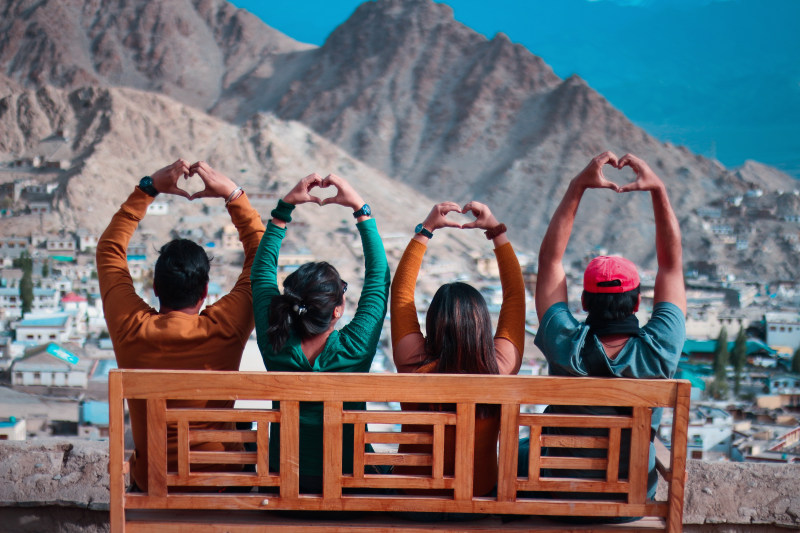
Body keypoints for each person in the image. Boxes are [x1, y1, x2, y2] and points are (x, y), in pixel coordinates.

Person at [523, 151, 686, 516]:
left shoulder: (565, 345)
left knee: (520, 448)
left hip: (558, 496)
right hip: (628, 503)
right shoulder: (658, 351)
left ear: (582, 300)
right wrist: (658, 190)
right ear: (638, 303)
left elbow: (549, 261)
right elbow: (671, 267)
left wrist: (576, 186)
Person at [97, 159, 265, 491]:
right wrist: (233, 195)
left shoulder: (131, 329)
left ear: (156, 289)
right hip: (222, 480)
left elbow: (109, 251)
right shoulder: (226, 329)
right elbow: (262, 257)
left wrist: (148, 188)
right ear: (205, 292)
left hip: (154, 482)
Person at [251, 172, 390, 494]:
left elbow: (260, 275)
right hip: (350, 488)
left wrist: (283, 209)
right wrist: (361, 209)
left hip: (283, 489)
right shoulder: (354, 349)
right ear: (337, 310)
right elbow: (379, 278)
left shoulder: (275, 344)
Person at [391, 201, 526, 503]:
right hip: (476, 500)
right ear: (482, 323)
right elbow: (515, 295)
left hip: (415, 501)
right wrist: (495, 231)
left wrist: (425, 230)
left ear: (434, 322)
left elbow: (401, 294)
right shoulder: (500, 367)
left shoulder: (413, 363)